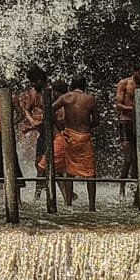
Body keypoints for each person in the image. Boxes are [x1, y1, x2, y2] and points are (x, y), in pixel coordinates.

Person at [50, 76, 101, 210]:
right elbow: (96, 121)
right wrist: (86, 126)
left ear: (72, 86)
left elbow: (49, 109)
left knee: (69, 171)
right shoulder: (90, 99)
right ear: (85, 86)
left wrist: (59, 126)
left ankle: (68, 204)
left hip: (69, 136)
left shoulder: (66, 97)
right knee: (90, 173)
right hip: (84, 137)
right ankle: (92, 206)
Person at [115, 68, 140, 196]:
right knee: (128, 158)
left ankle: (135, 188)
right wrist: (134, 108)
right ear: (134, 72)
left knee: (138, 159)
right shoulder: (124, 83)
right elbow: (118, 105)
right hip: (126, 122)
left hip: (139, 124)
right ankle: (121, 187)